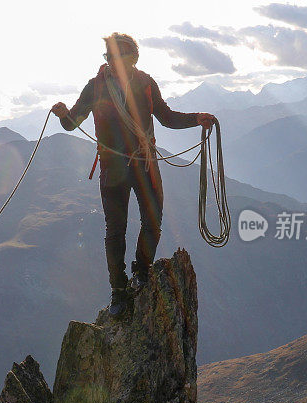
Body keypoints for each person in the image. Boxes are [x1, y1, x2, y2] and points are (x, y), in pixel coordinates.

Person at [52, 32, 215, 316]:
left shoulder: (145, 84)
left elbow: (166, 117)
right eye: (108, 57)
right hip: (116, 167)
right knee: (116, 231)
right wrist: (63, 114)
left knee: (153, 221)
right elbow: (72, 123)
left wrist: (196, 119)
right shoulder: (95, 87)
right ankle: (119, 290)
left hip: (142, 162)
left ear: (132, 59)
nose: (112, 62)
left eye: (116, 57)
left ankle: (141, 270)